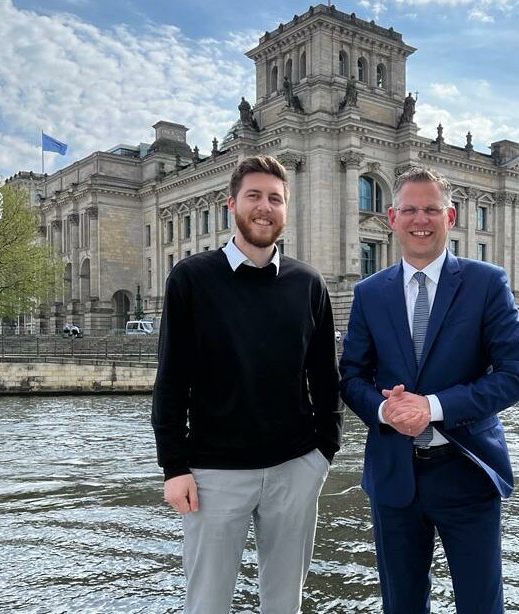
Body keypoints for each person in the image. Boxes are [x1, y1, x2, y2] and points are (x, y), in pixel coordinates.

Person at [152, 155, 343, 614]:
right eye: (254, 196)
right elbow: (172, 377)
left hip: (295, 467)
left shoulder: (309, 283)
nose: (265, 207)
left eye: (275, 199)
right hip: (213, 474)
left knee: (284, 605)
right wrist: (174, 466)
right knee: (208, 604)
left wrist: (323, 453)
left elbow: (325, 376)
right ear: (231, 204)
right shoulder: (192, 278)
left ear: (286, 208)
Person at [339, 166, 519, 613]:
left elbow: (514, 373)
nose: (419, 219)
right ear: (392, 217)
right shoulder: (370, 292)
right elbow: (351, 376)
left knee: (481, 604)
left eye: (431, 209)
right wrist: (388, 413)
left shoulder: (487, 283)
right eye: (409, 209)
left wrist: (434, 406)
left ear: (451, 215)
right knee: (401, 604)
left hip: (466, 469)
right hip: (394, 475)